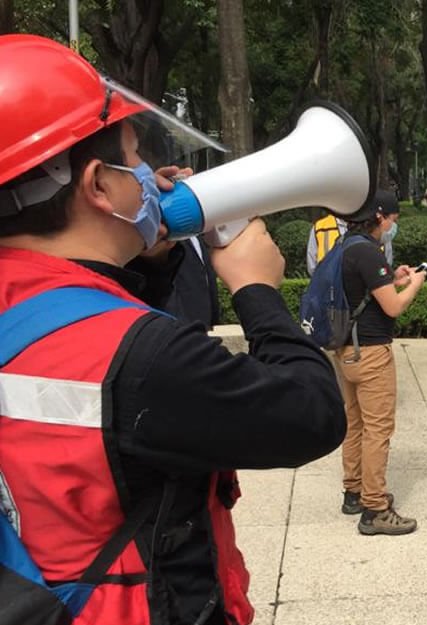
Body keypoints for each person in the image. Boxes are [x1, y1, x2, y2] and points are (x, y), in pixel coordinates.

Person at [0, 35, 345, 625]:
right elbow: (312, 414)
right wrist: (257, 288)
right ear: (98, 188)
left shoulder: (31, 305)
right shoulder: (140, 356)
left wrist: (148, 265)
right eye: (132, 159)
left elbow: (90, 354)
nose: (147, 178)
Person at [335, 192, 427, 536]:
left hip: (346, 349)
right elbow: (393, 307)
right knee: (378, 429)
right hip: (371, 352)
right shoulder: (368, 252)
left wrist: (395, 278)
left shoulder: (347, 246)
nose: (393, 226)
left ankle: (354, 491)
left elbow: (370, 292)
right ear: (380, 217)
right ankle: (374, 508)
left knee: (355, 422)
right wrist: (414, 284)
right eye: (393, 219)